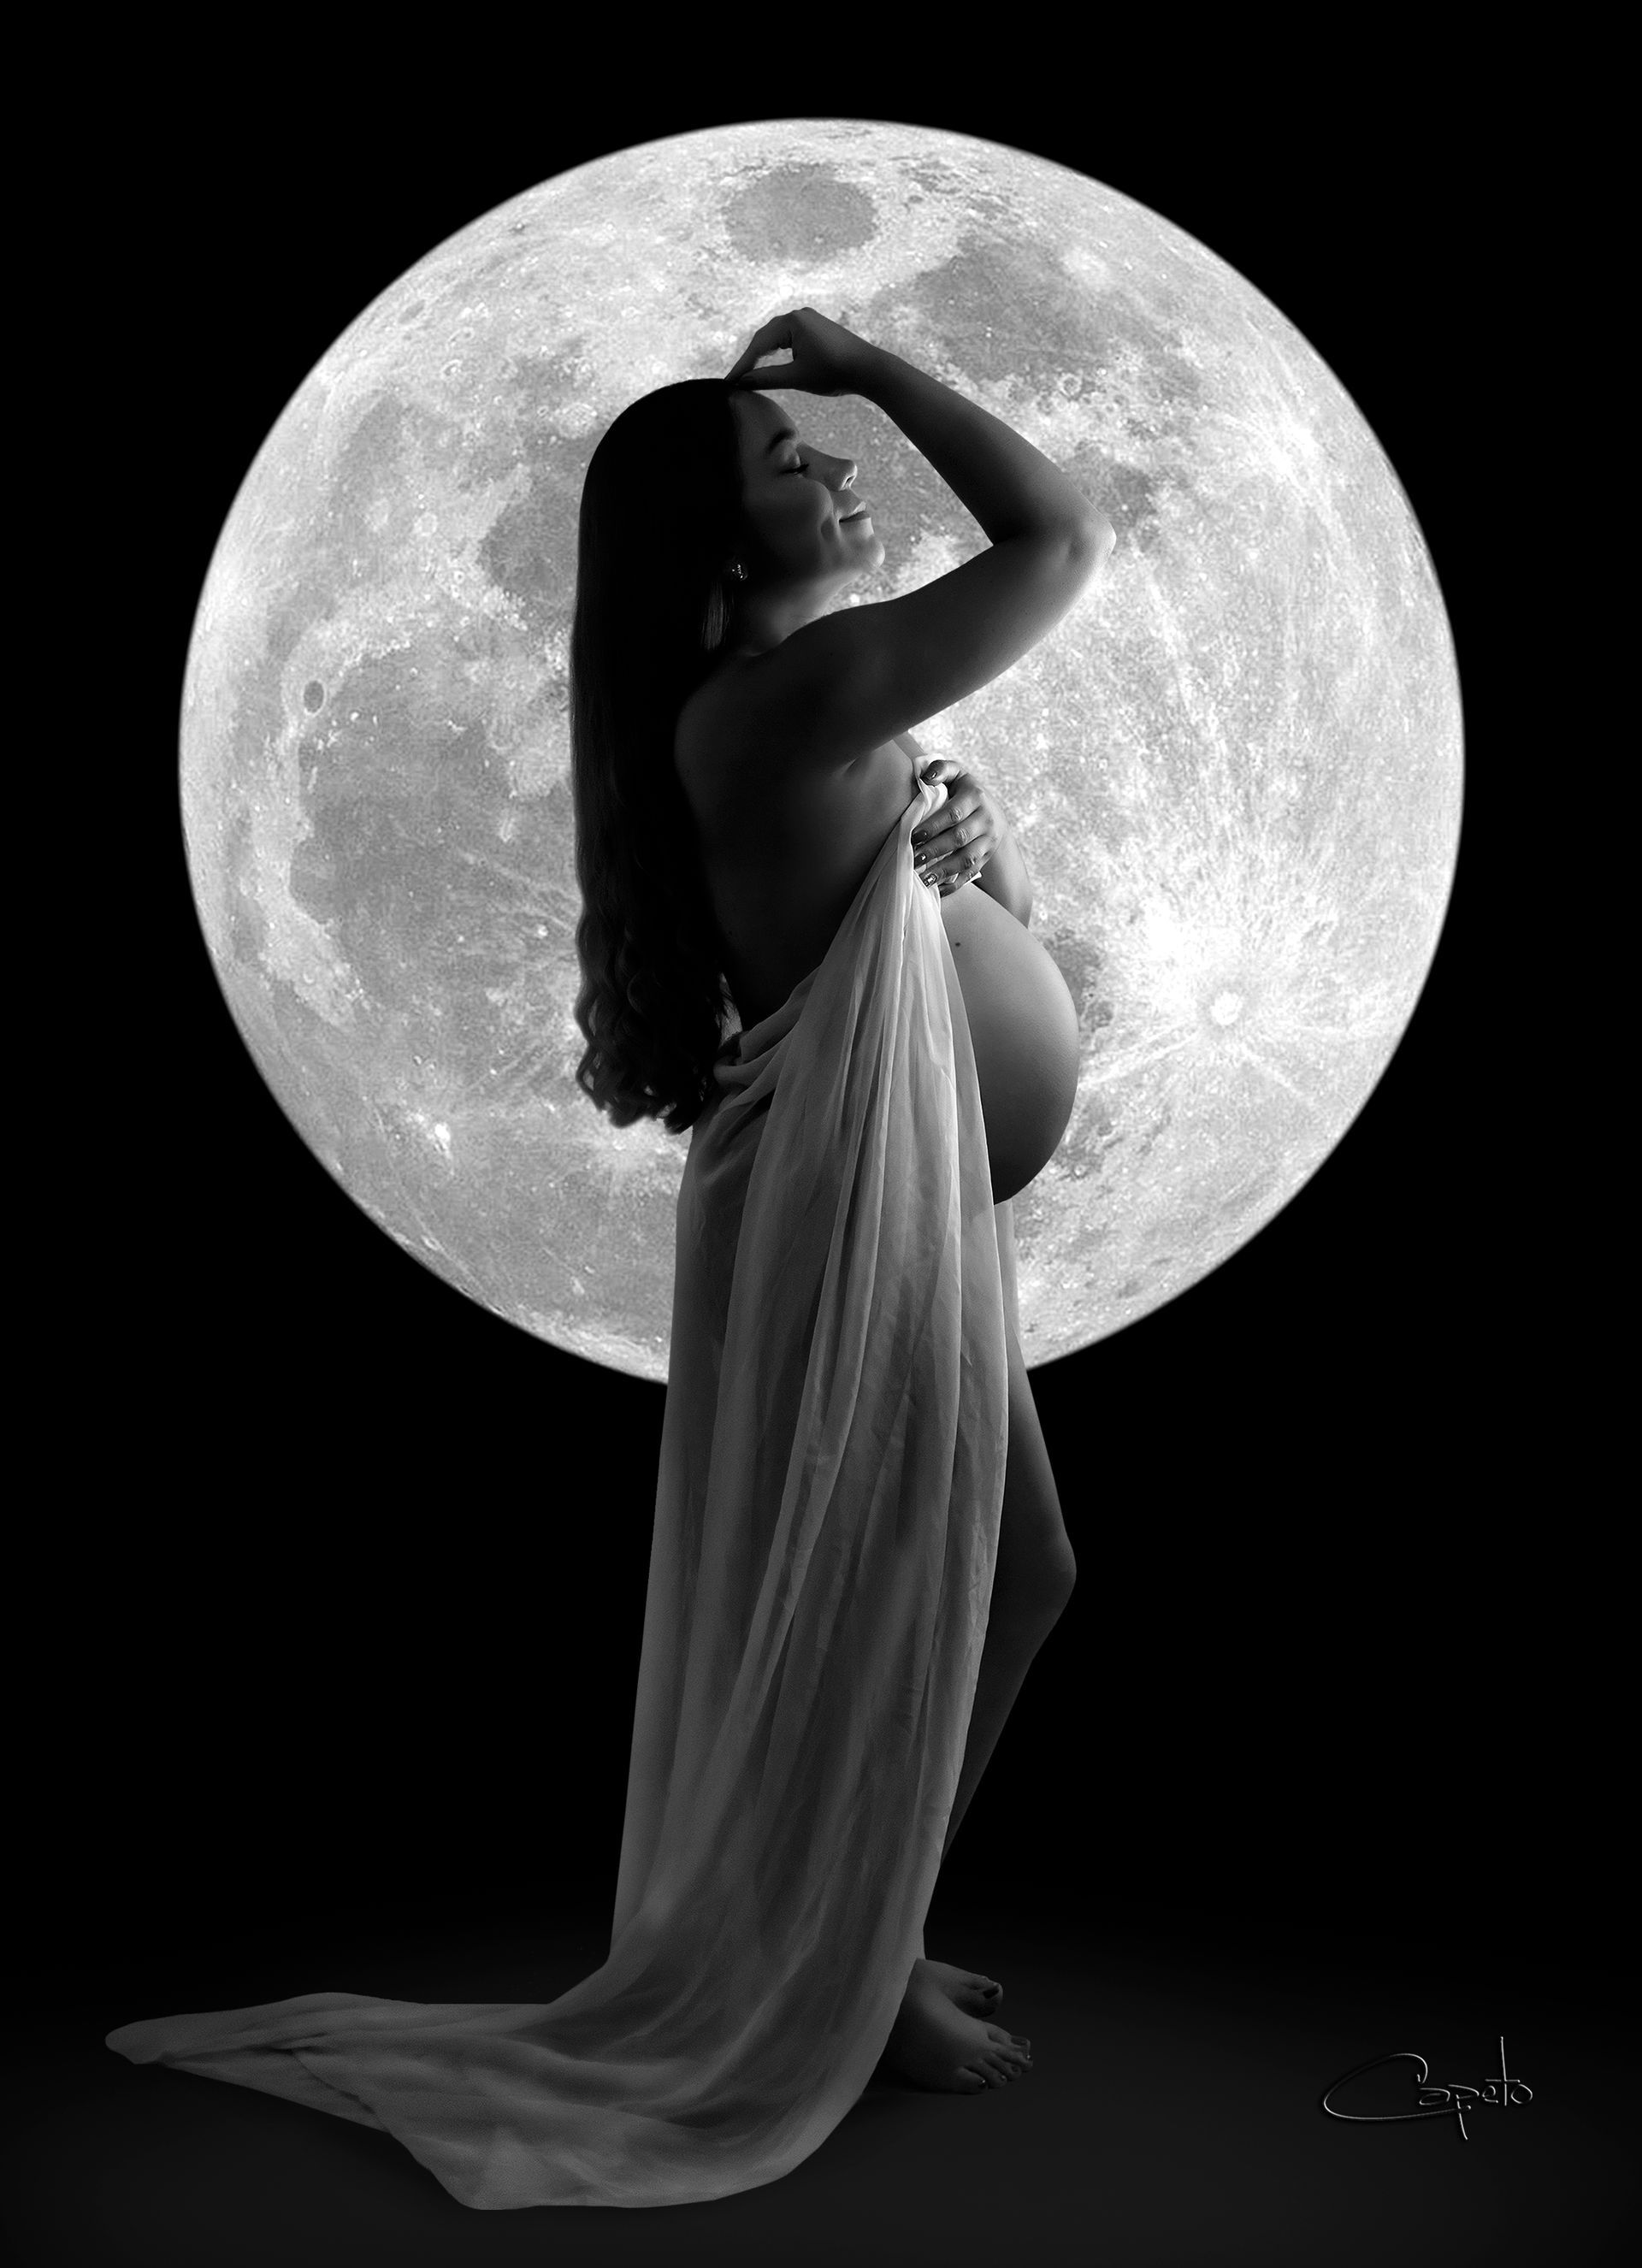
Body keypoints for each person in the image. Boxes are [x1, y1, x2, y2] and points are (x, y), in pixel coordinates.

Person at [107, 311, 1115, 2212]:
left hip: (881, 1174)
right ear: (718, 548)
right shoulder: (777, 700)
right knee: (920, 1587)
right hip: (850, 1189)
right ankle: (852, 1975)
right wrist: (873, 365)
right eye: (790, 459)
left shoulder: (804, 702)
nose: (836, 464)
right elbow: (1061, 539)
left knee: (990, 1574)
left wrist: (975, 841)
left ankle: (867, 1945)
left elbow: (953, 932)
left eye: (821, 437)